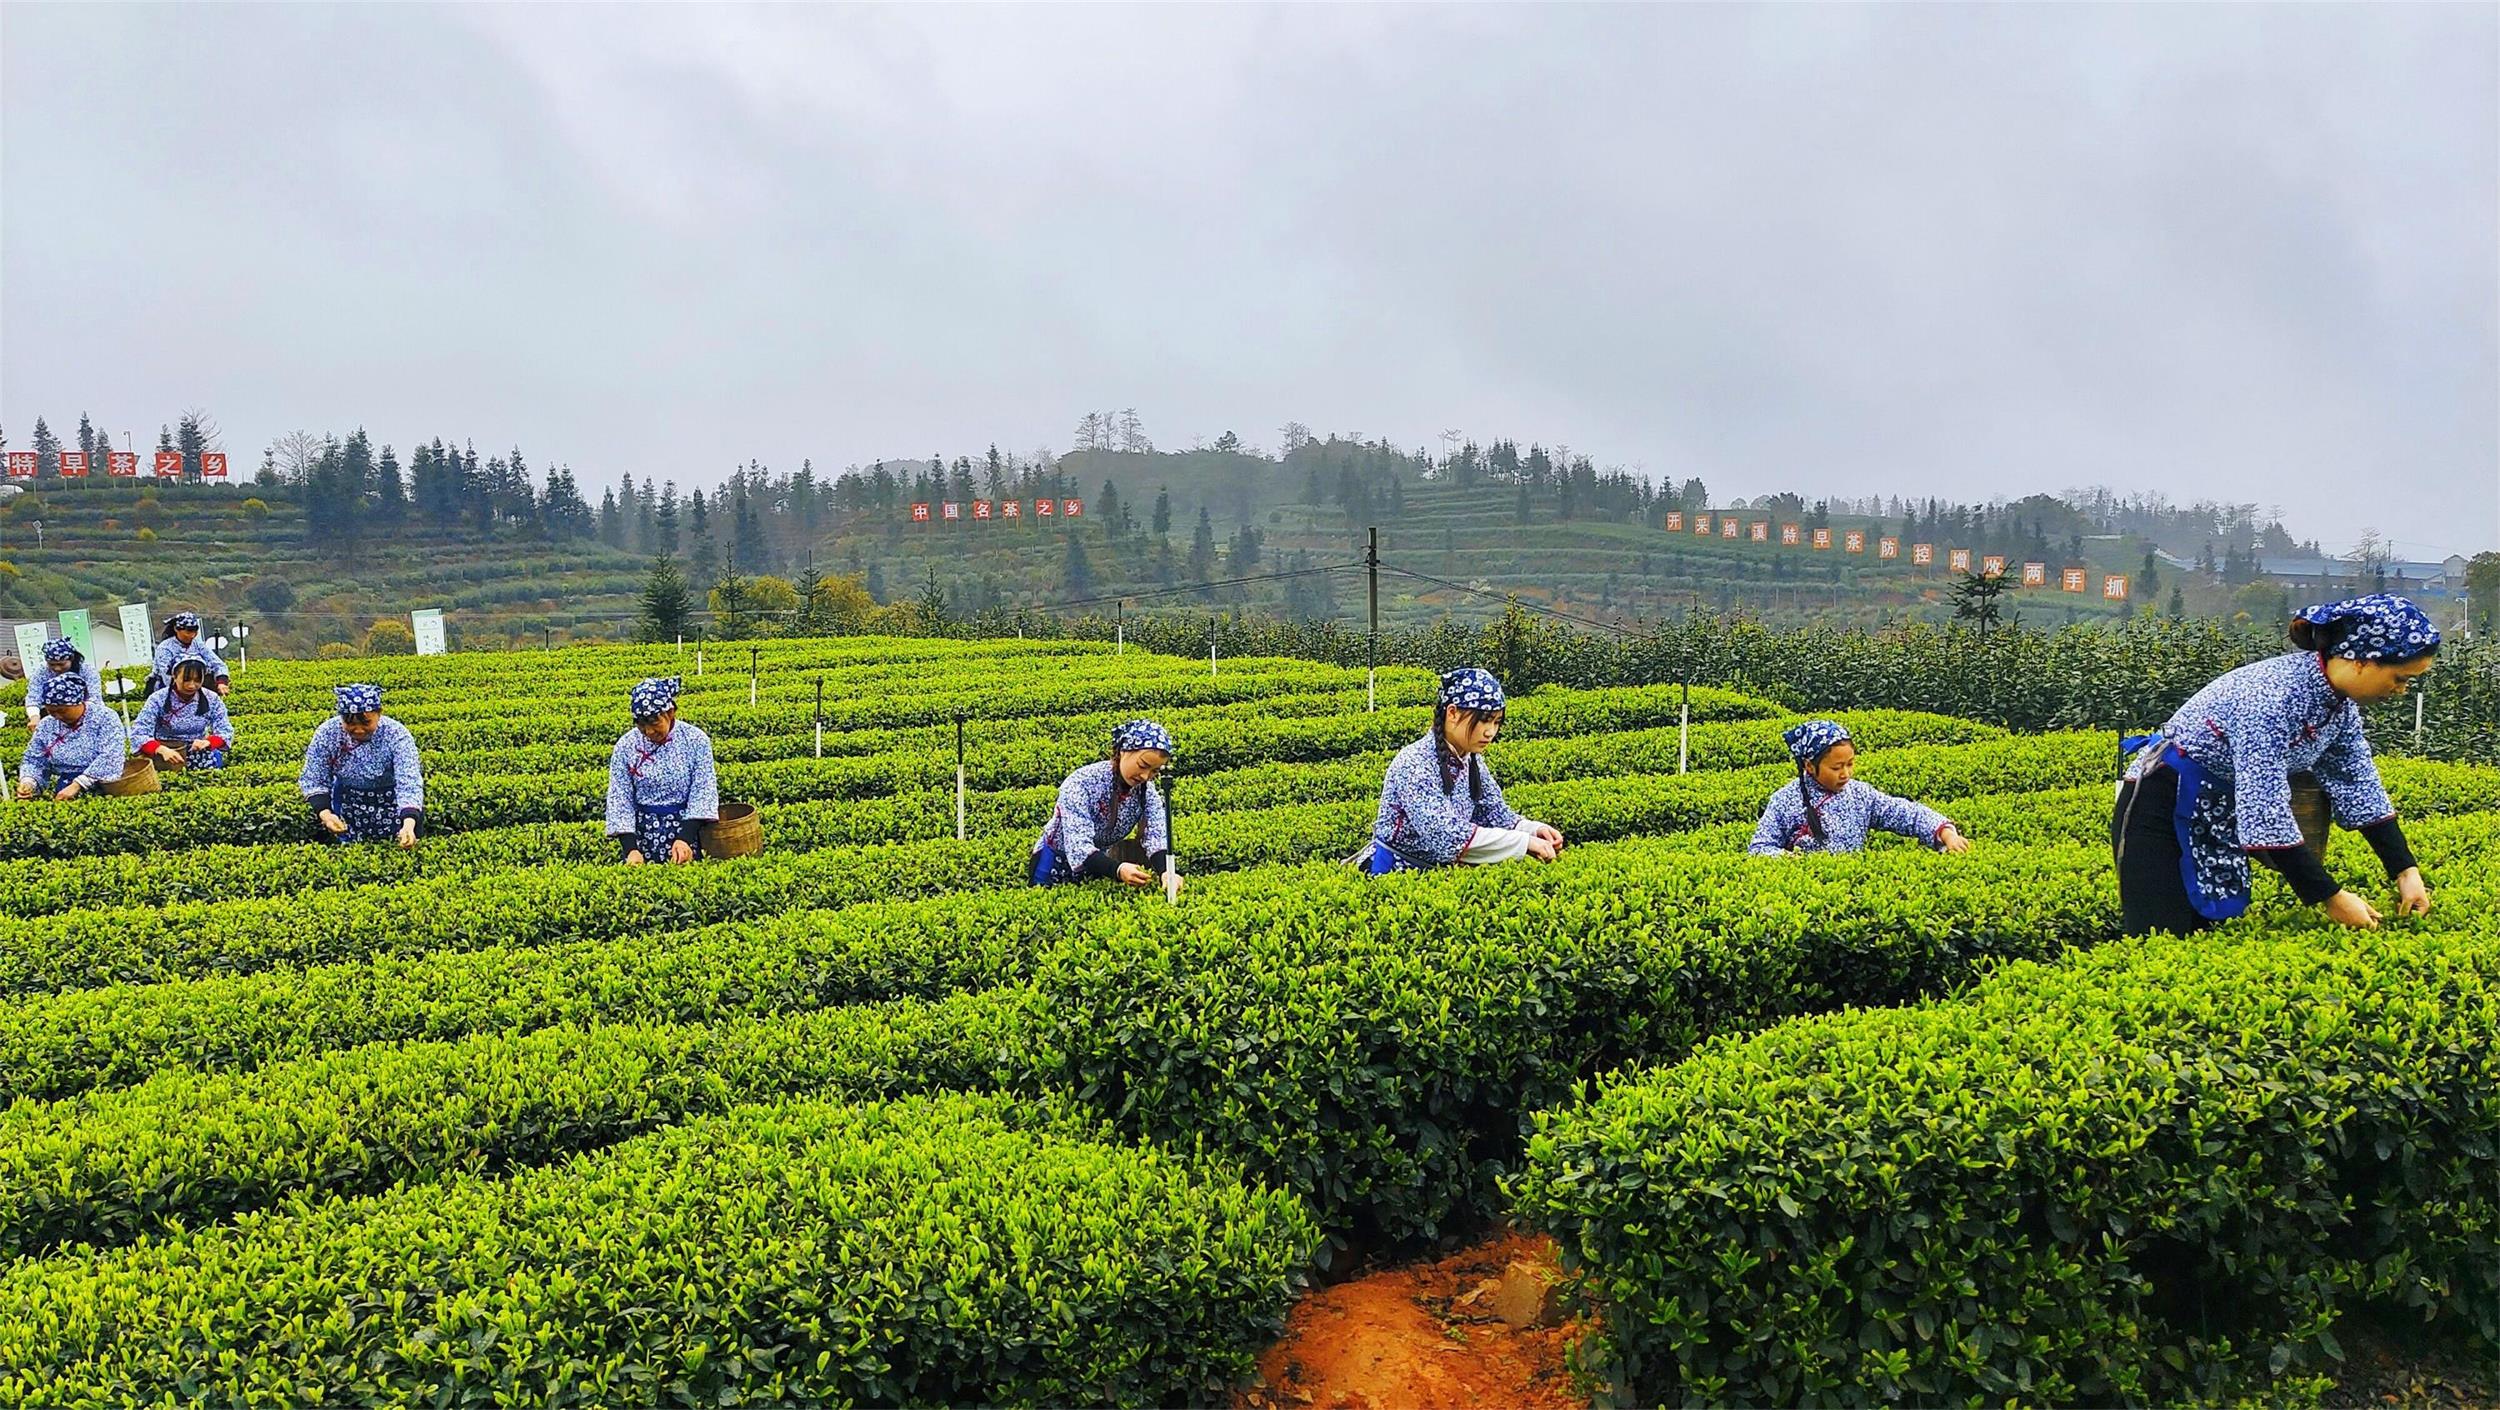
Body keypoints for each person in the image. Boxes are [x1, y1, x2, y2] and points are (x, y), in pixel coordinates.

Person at [2114, 594, 2437, 937]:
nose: (2401, 690)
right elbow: (2264, 810)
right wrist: (2330, 897)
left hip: (2216, 812)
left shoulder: (2338, 707)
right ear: (2360, 661)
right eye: (2400, 678)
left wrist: (2405, 871)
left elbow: (2358, 785)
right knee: (2159, 934)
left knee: (2208, 932)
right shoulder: (2270, 700)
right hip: (2161, 807)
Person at [1367, 667, 1562, 873]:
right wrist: (1523, 843)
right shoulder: (1413, 763)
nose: (1490, 732)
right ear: (1452, 713)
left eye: (1496, 722)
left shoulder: (1471, 760)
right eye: (1484, 720)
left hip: (1439, 875)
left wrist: (1533, 830)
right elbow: (1444, 836)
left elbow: (1493, 813)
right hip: (1394, 874)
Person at [1748, 720, 1970, 856]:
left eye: (1850, 764)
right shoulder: (1784, 800)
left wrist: (1945, 832)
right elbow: (1760, 847)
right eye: (1836, 767)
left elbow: (1904, 813)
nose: (1846, 774)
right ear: (1809, 765)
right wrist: (1791, 861)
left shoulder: (1861, 795)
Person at [1030, 718, 1183, 899]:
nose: (1145, 776)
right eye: (1143, 765)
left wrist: (1167, 872)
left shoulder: (1145, 791)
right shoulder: (1081, 782)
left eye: (1154, 771)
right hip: (1052, 863)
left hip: (1098, 863)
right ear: (1123, 751)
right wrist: (1117, 869)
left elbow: (1156, 833)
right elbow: (1078, 845)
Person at [605, 677, 719, 864]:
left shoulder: (695, 740)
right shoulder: (626, 746)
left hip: (687, 834)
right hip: (643, 837)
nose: (648, 731)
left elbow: (703, 791)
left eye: (653, 721)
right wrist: (631, 849)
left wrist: (685, 838)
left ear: (670, 712)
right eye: (641, 723)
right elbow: (620, 798)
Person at [298, 683, 424, 847]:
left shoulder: (396, 734)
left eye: (365, 723)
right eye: (349, 723)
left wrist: (408, 823)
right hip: (349, 804)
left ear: (379, 714)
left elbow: (409, 781)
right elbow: (314, 778)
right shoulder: (327, 733)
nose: (358, 730)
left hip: (393, 804)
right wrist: (326, 815)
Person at [16, 673, 126, 801]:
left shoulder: (105, 718)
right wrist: (29, 782)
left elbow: (111, 755)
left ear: (79, 701)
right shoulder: (47, 724)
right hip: (65, 786)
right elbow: (34, 759)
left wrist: (78, 785)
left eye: (62, 711)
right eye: (51, 711)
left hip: (104, 786)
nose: (57, 716)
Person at [131, 658, 234, 771]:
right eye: (186, 680)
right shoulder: (157, 698)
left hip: (198, 754)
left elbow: (225, 730)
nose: (191, 685)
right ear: (174, 676)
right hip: (164, 755)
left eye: (197, 680)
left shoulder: (212, 698)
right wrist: (160, 749)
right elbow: (139, 732)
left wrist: (207, 742)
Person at [22, 639, 104, 729]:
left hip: (87, 715)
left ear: (71, 659)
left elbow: (94, 697)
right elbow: (33, 697)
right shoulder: (41, 673)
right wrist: (34, 718)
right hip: (53, 719)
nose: (57, 668)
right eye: (52, 665)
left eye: (61, 664)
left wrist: (80, 716)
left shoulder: (87, 670)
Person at [148, 613, 231, 697]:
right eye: (188, 632)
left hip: (198, 687)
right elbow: (167, 677)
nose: (192, 635)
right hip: (169, 689)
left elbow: (218, 664)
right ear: (176, 629)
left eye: (195, 632)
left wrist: (222, 682)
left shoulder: (198, 644)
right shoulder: (165, 648)